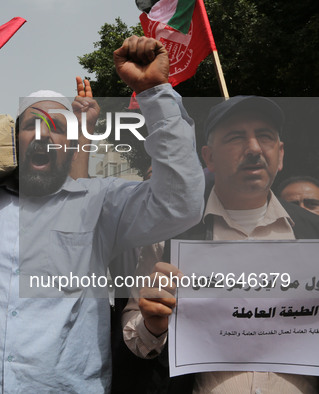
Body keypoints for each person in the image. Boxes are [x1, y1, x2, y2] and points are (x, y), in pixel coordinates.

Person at [0, 36, 205, 391]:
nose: (43, 134)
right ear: (15, 140)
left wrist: (155, 91)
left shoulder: (100, 203)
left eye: (58, 127)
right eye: (32, 124)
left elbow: (180, 203)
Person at [122, 96, 319, 393]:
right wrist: (151, 324)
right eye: (236, 138)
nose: (253, 149)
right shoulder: (171, 236)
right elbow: (136, 339)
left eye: (264, 137)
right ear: (209, 157)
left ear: (280, 155)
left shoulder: (314, 233)